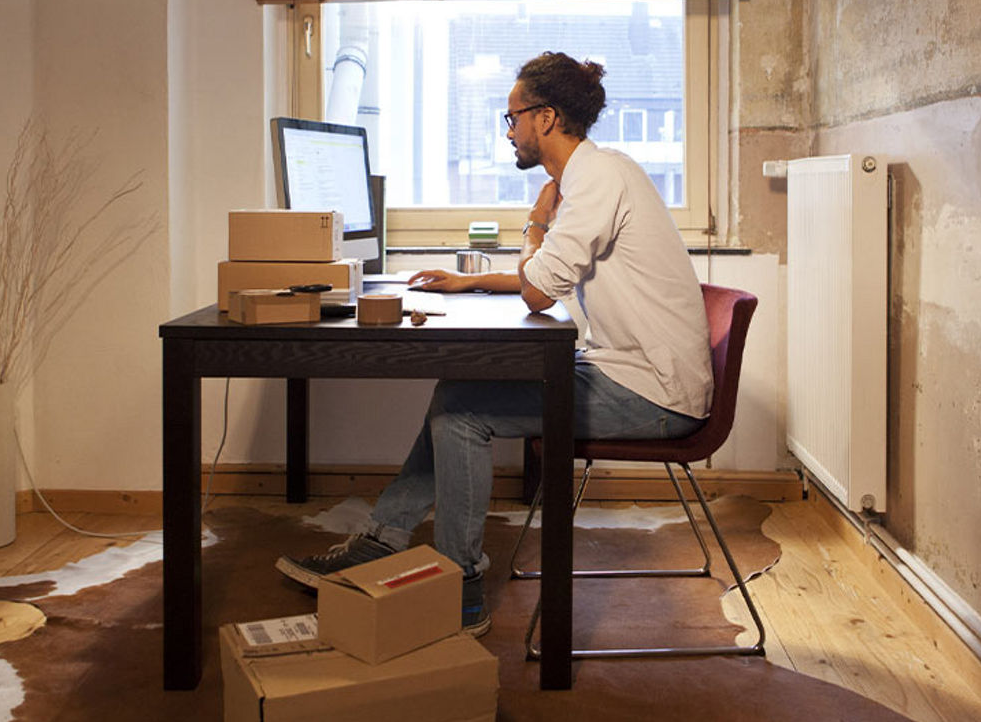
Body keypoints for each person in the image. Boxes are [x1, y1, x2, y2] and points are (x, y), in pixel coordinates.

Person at [276, 52, 713, 636]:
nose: (509, 132)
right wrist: (473, 280)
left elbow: (538, 292)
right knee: (457, 390)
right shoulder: (595, 176)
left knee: (461, 414)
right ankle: (382, 541)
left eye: (512, 119)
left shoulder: (595, 180)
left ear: (546, 118)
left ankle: (460, 588)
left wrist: (536, 224)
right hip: (631, 372)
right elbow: (550, 276)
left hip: (654, 396)